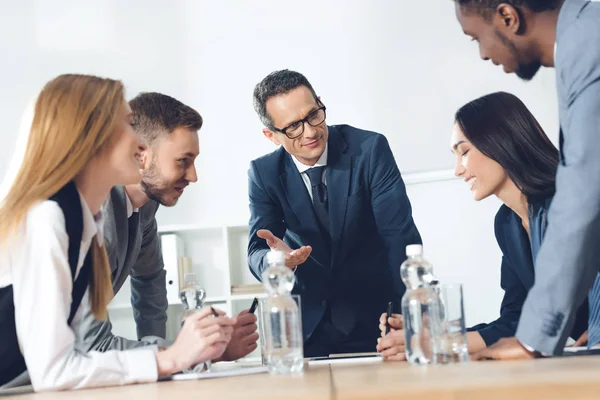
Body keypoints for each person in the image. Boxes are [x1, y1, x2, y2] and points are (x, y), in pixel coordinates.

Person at [0, 75, 236, 391]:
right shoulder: (48, 218)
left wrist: (184, 353)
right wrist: (171, 357)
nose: (141, 144)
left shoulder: (84, 220)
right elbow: (55, 370)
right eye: (128, 125)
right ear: (93, 139)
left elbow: (69, 356)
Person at [376, 92, 589, 359]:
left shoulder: (569, 202)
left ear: (500, 141)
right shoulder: (507, 223)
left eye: (464, 152)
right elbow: (517, 320)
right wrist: (439, 338)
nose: (457, 170)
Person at [453, 0, 600, 359]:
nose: (484, 55)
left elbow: (584, 194)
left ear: (508, 17)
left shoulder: (589, 51)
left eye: (476, 38)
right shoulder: (582, 44)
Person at [247, 69, 422, 357]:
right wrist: (278, 261)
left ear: (320, 102)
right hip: (309, 327)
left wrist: (408, 318)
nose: (311, 131)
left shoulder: (369, 149)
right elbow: (256, 249)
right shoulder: (264, 173)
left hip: (379, 319)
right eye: (293, 127)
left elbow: (398, 238)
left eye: (314, 114)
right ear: (271, 135)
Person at [77, 92, 258, 364]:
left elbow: (149, 280)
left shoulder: (146, 206)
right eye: (183, 161)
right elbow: (94, 347)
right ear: (140, 155)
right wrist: (184, 353)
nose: (193, 176)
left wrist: (164, 356)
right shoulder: (93, 217)